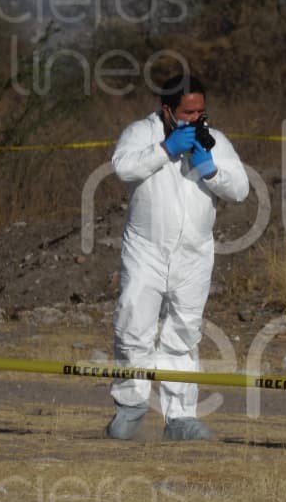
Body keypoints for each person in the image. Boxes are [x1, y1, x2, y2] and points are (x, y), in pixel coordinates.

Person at [104, 74, 250, 441]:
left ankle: (180, 418)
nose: (197, 118)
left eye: (201, 110)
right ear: (168, 110)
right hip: (146, 250)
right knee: (133, 324)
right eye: (188, 112)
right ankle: (131, 406)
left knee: (184, 333)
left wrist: (212, 171)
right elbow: (123, 167)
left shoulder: (215, 141)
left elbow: (241, 189)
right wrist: (165, 150)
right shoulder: (141, 133)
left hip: (195, 254)